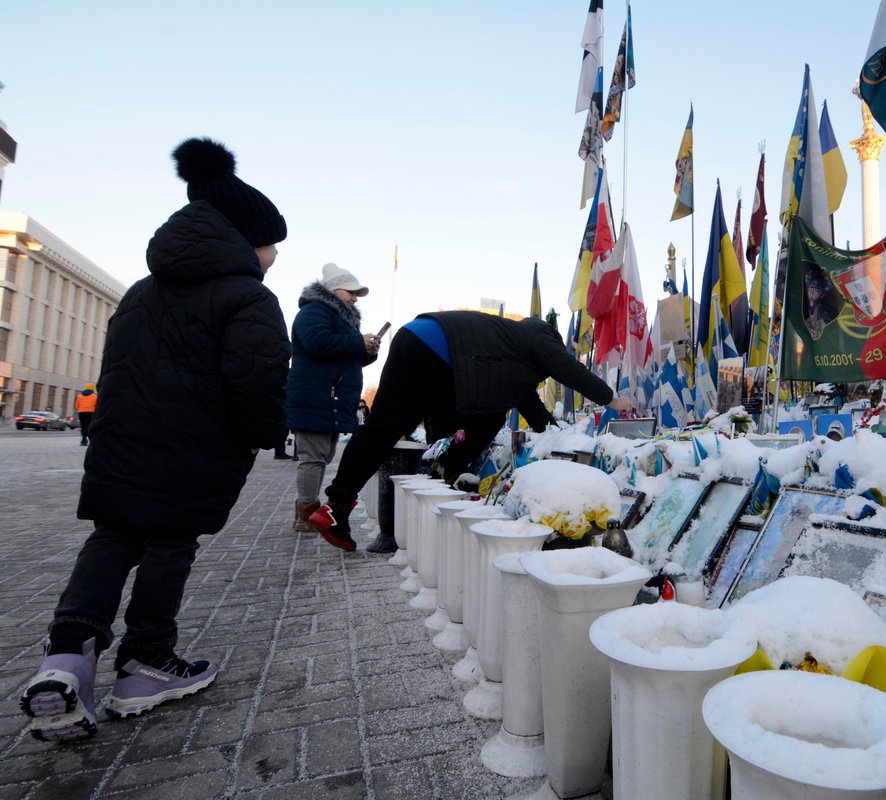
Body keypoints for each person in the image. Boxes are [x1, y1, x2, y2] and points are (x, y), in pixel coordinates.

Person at [17, 137, 290, 742]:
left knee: (113, 535)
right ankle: (145, 662)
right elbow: (256, 380)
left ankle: (65, 660)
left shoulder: (143, 290)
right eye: (271, 245)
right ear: (247, 239)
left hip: (123, 440)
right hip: (196, 447)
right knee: (170, 541)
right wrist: (262, 437)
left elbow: (114, 369)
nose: (273, 257)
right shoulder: (249, 295)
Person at [308, 310, 634, 551]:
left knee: (382, 428)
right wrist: (612, 400)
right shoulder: (538, 335)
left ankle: (336, 507)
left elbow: (528, 402)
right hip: (437, 352)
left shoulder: (508, 347)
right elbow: (568, 369)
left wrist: (551, 430)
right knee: (488, 419)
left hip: (414, 337)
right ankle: (445, 475)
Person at [286, 263, 380, 533]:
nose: (355, 297)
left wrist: (367, 352)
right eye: (350, 291)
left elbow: (341, 358)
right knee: (313, 458)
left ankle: (307, 510)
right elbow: (317, 342)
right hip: (316, 397)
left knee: (321, 457)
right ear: (333, 290)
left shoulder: (340, 319)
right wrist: (357, 343)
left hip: (329, 398)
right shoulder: (314, 311)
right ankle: (306, 513)